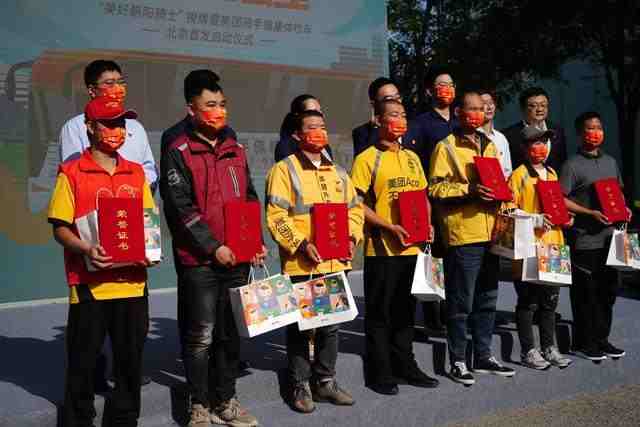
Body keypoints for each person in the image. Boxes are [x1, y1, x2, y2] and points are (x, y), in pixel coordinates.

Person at [160, 70, 264, 427]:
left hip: (237, 257)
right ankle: (199, 404)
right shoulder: (178, 150)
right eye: (210, 105)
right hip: (200, 261)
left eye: (221, 104)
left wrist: (255, 242)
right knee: (200, 336)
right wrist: (213, 246)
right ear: (192, 109)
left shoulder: (235, 147)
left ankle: (227, 400)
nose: (218, 111)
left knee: (230, 333)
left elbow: (249, 196)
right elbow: (180, 208)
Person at [49, 97, 156, 426]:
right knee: (82, 363)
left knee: (130, 364)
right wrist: (85, 248)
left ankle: (124, 420)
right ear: (90, 128)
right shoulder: (72, 173)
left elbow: (147, 221)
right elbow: (60, 228)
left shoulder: (135, 172)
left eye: (121, 125)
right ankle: (78, 419)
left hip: (133, 284)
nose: (116, 131)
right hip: (89, 285)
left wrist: (150, 251)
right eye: (109, 124)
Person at [265, 110, 364, 413]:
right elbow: (276, 217)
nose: (319, 132)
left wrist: (351, 238)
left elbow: (355, 210)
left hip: (333, 262)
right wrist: (301, 244)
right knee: (301, 326)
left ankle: (325, 381)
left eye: (322, 126)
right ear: (297, 135)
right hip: (303, 263)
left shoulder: (338, 172)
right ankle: (300, 384)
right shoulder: (284, 170)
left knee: (330, 325)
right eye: (311, 128)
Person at [351, 99, 439, 395]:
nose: (400, 120)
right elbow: (356, 204)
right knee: (380, 313)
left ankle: (406, 365)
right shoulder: (367, 158)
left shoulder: (413, 157)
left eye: (403, 115)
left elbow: (423, 195)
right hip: (382, 249)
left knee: (405, 311)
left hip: (412, 247)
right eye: (393, 115)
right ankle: (380, 372)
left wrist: (427, 223)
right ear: (378, 120)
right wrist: (388, 226)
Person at [428, 90, 516, 385]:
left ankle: (483, 354)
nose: (477, 114)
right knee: (461, 300)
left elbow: (497, 183)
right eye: (471, 109)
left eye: (481, 108)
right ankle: (458, 360)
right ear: (458, 112)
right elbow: (436, 190)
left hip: (492, 232)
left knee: (488, 298)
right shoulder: (446, 147)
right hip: (463, 233)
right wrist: (469, 191)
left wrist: (505, 196)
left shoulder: (489, 144)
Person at [560, 111, 632, 361]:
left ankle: (602, 339)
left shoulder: (610, 161)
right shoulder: (571, 164)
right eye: (590, 128)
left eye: (599, 127)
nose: (596, 132)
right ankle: (584, 342)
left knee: (608, 292)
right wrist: (589, 212)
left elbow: (618, 193)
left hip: (611, 239)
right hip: (585, 240)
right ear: (580, 133)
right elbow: (561, 199)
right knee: (585, 294)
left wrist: (625, 208)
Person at [504, 126, 573, 370]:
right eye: (536, 144)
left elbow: (557, 205)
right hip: (529, 246)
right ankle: (528, 350)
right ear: (524, 149)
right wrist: (534, 218)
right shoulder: (518, 175)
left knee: (550, 301)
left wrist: (566, 216)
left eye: (545, 143)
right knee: (528, 301)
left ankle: (549, 347)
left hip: (553, 244)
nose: (541, 148)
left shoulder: (552, 173)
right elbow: (507, 209)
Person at [410, 66, 460, 334]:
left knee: (456, 261)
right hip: (433, 200)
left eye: (451, 84)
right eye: (442, 84)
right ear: (430, 90)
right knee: (434, 257)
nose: (448, 89)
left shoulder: (461, 121)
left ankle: (454, 315)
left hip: (460, 201)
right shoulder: (420, 123)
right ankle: (433, 317)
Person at [59, 59, 157, 191]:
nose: (118, 88)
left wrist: (135, 191)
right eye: (109, 83)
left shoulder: (136, 127)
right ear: (92, 90)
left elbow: (149, 169)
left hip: (133, 203)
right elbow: (73, 176)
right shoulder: (74, 127)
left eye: (121, 82)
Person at [502, 87, 567, 172]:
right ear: (523, 108)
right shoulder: (509, 135)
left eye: (543, 105)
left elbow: (562, 161)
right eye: (533, 106)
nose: (539, 109)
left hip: (552, 182)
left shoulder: (557, 131)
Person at [351, 76, 402, 156]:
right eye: (389, 99)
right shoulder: (363, 133)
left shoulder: (415, 128)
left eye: (398, 98)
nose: (396, 103)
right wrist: (376, 127)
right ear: (374, 105)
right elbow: (364, 160)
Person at [274, 94, 333, 162]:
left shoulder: (324, 147)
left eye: (320, 111)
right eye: (313, 112)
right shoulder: (285, 147)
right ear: (298, 116)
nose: (320, 115)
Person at [477, 90, 512, 178]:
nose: (489, 107)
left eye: (491, 103)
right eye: (484, 103)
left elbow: (507, 171)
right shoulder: (471, 136)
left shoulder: (501, 138)